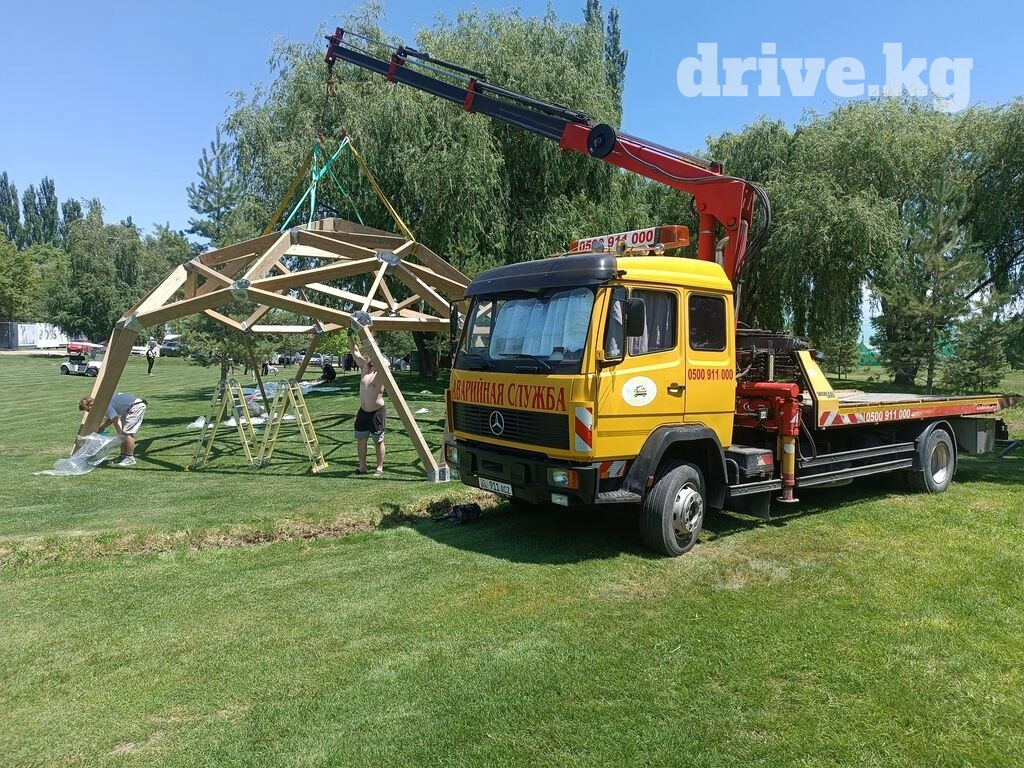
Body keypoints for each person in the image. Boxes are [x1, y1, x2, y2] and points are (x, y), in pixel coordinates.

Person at [349, 330, 386, 476]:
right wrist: (350, 336)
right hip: (363, 412)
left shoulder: (381, 371)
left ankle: (379, 468)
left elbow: (383, 361)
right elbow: (354, 351)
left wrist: (373, 345)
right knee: (361, 439)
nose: (369, 356)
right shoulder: (365, 367)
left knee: (378, 441)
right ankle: (362, 467)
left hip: (376, 413)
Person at [79, 393, 147, 467]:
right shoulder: (101, 404)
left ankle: (130, 458)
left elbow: (115, 419)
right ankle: (123, 456)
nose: (89, 412)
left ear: (91, 405)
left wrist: (120, 434)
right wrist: (102, 427)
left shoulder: (104, 405)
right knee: (123, 433)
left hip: (135, 407)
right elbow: (111, 418)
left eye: (88, 410)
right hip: (128, 409)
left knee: (127, 432)